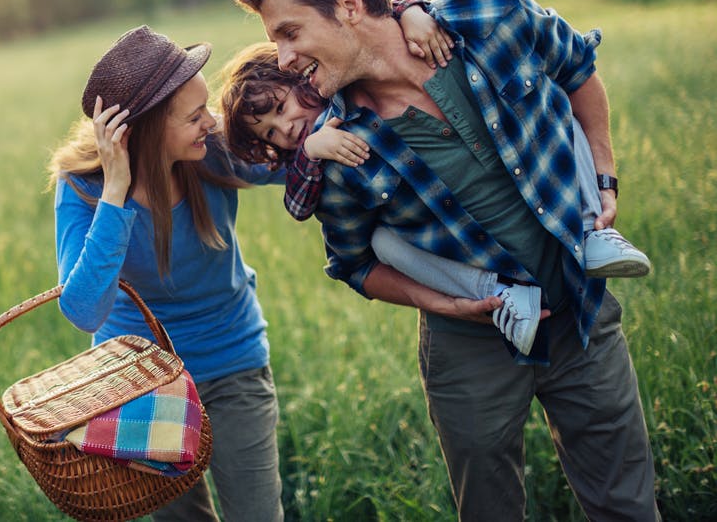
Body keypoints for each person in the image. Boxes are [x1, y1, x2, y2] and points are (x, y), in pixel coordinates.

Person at [236, 0, 660, 520]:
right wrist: (444, 304)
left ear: (351, 6)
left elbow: (577, 67)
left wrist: (605, 176)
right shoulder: (338, 149)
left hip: (582, 312)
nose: (283, 59)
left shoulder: (491, 16)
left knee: (628, 503)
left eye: (289, 32)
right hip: (471, 347)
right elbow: (356, 263)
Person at [220, 42, 649, 355]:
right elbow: (300, 210)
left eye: (280, 108)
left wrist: (411, 12)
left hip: (539, 229)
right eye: (271, 134)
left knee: (555, 105)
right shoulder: (320, 157)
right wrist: (312, 152)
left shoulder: (351, 85)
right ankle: (501, 295)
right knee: (383, 242)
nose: (286, 128)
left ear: (298, 76)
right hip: (454, 261)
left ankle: (594, 231)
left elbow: (376, 9)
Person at [48, 25, 285, 521]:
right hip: (141, 385)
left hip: (232, 363)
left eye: (208, 109)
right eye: (195, 116)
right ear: (146, 131)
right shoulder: (83, 186)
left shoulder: (212, 151)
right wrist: (116, 190)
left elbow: (294, 154)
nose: (212, 122)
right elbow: (84, 309)